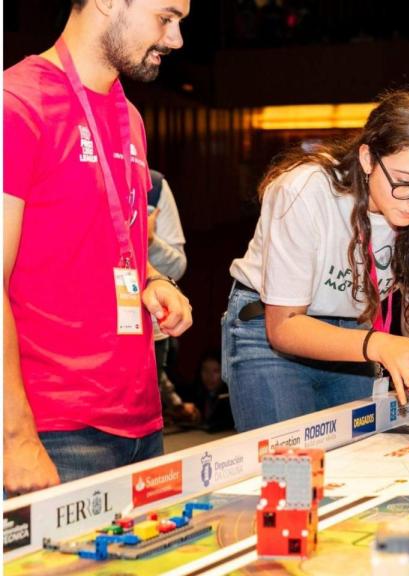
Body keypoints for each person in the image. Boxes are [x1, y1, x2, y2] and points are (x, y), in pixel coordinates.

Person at [4, 0, 193, 495]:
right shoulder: (16, 104)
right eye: (166, 18)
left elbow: (110, 240)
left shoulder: (129, 116)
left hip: (142, 422)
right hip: (54, 431)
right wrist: (16, 438)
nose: (175, 40)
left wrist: (154, 280)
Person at [224, 89, 409, 432]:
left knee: (361, 451)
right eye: (405, 182)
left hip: (356, 334)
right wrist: (381, 344)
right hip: (273, 331)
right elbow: (284, 327)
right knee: (289, 460)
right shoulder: (304, 190)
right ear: (367, 158)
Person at [147, 169, 199, 424]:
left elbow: (178, 266)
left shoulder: (154, 186)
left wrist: (149, 241)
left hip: (148, 327)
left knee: (143, 421)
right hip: (85, 324)